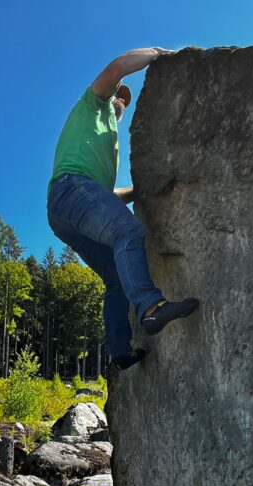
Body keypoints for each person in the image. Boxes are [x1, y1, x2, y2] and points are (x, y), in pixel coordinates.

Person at [47, 47, 199, 370]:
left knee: (116, 277)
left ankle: (119, 350)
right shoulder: (93, 105)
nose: (123, 103)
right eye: (121, 97)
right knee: (127, 230)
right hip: (70, 188)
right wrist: (157, 53)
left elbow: (102, 199)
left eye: (126, 102)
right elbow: (117, 67)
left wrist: (141, 191)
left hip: (69, 208)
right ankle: (150, 307)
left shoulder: (107, 138)